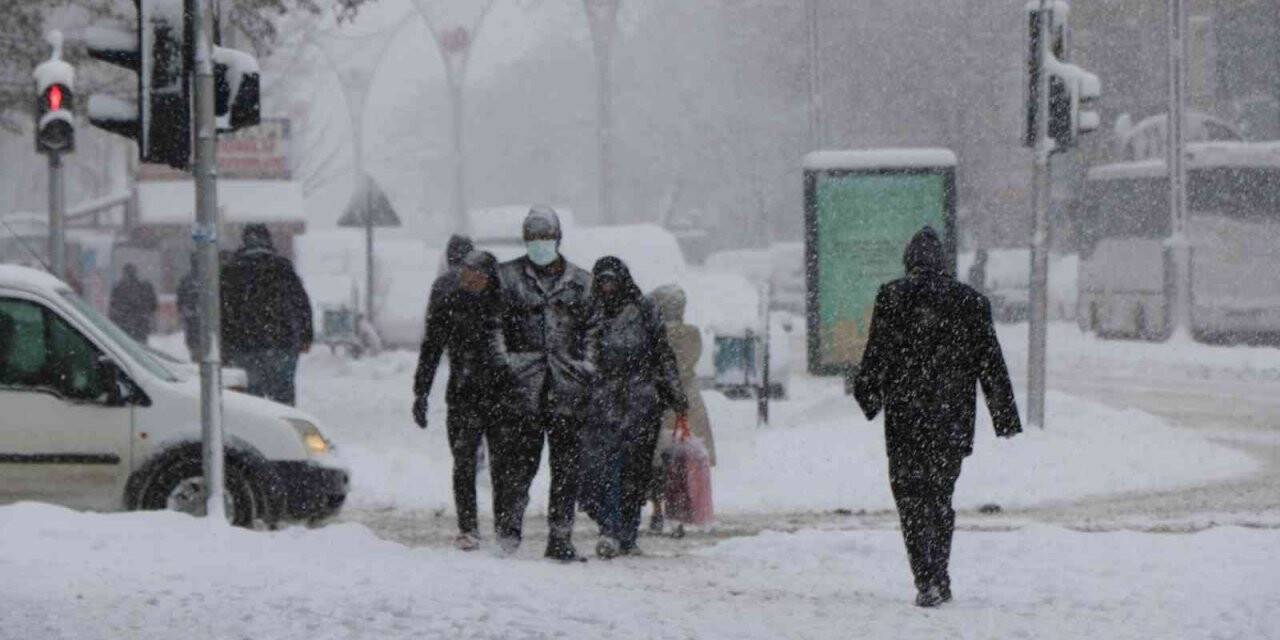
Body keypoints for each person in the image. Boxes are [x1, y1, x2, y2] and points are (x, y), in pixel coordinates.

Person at [853, 226, 1021, 608]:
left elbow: (877, 353)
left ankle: (924, 577)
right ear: (943, 263)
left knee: (910, 499)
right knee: (940, 497)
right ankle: (940, 574)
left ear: (909, 261)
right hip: (952, 420)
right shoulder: (971, 302)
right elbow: (991, 363)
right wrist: (1004, 417)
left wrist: (868, 395)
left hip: (906, 419)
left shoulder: (893, 297)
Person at [492, 206, 595, 561]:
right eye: (533, 237)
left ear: (558, 238)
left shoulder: (581, 282)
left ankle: (560, 537)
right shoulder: (506, 278)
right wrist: (507, 364)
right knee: (518, 466)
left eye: (546, 237)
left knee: (566, 468)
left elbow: (593, 330)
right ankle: (508, 533)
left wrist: (586, 368)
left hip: (568, 390)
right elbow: (494, 327)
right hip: (522, 390)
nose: (539, 243)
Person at [579, 258, 687, 558]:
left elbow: (662, 353)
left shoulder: (644, 309)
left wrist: (675, 394)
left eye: (612, 281)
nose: (607, 287)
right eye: (602, 281)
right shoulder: (590, 311)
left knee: (635, 472)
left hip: (640, 402)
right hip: (602, 402)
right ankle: (610, 528)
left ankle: (625, 533)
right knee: (601, 470)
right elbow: (583, 355)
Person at [412, 246, 513, 551]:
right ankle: (468, 527)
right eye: (466, 272)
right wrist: (421, 393)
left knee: (503, 465)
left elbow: (527, 352)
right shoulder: (450, 303)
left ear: (489, 277)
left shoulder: (507, 306)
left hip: (501, 396)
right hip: (463, 394)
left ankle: (505, 527)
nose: (468, 278)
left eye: (476, 274)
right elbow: (431, 348)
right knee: (463, 461)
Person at [221, 224, 314, 406]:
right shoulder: (282, 268)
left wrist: (225, 343)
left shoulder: (231, 270)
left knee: (250, 399)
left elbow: (223, 310)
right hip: (281, 342)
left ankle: (255, 422)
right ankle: (282, 421)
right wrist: (306, 336)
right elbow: (301, 304)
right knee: (282, 395)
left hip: (243, 344)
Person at [647, 284, 714, 534]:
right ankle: (682, 510)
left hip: (663, 402)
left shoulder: (652, 334)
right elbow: (685, 365)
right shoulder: (691, 334)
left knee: (660, 461)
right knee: (684, 462)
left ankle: (660, 508)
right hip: (687, 402)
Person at [108, 263, 157, 343]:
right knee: (139, 347)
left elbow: (112, 309)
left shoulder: (118, 288)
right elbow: (153, 305)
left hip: (123, 327)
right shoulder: (144, 286)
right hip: (141, 326)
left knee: (124, 346)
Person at [176, 253, 201, 361]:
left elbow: (180, 301)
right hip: (202, 319)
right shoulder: (211, 278)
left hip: (192, 319)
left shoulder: (186, 279)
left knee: (195, 346)